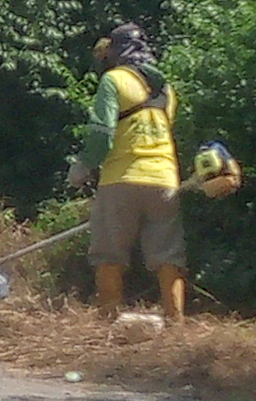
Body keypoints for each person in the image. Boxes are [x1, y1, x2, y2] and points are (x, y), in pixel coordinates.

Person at [72, 21, 190, 322]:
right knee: (168, 255)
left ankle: (108, 320)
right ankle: (175, 323)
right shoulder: (167, 90)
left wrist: (84, 165)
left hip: (121, 179)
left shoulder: (114, 80)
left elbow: (102, 133)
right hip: (164, 179)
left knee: (109, 254)